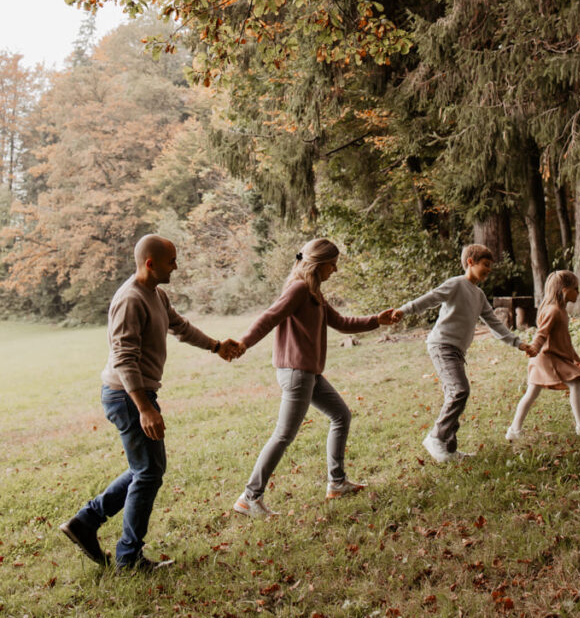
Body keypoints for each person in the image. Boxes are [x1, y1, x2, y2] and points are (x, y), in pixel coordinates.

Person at [60, 234, 240, 572]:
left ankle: (86, 522)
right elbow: (124, 359)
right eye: (172, 260)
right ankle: (127, 557)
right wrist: (144, 407)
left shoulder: (156, 294)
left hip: (135, 394)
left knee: (146, 469)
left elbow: (180, 327)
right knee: (148, 472)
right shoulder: (130, 299)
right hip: (127, 395)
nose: (176, 265)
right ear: (150, 263)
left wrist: (216, 346)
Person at [229, 238, 397, 517]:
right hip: (297, 373)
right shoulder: (297, 289)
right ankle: (249, 497)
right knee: (283, 435)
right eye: (333, 264)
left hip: (309, 374)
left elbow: (341, 323)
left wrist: (376, 320)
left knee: (341, 415)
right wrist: (244, 343)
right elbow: (269, 317)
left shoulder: (313, 292)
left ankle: (337, 482)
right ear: (319, 264)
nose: (336, 269)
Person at [391, 243, 534, 463]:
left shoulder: (479, 295)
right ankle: (435, 437)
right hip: (442, 345)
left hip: (457, 350)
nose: (488, 269)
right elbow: (431, 298)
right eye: (485, 265)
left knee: (454, 394)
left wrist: (518, 343)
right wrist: (404, 309)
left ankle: (449, 449)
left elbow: (495, 324)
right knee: (460, 390)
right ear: (470, 262)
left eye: (490, 266)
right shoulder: (456, 284)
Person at [506, 270, 580, 441]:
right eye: (576, 288)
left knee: (532, 392)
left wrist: (575, 356)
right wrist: (534, 348)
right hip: (546, 358)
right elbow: (541, 333)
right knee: (574, 383)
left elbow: (564, 340)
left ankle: (514, 430)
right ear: (564, 290)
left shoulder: (561, 311)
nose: (578, 292)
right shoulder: (553, 311)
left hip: (549, 357)